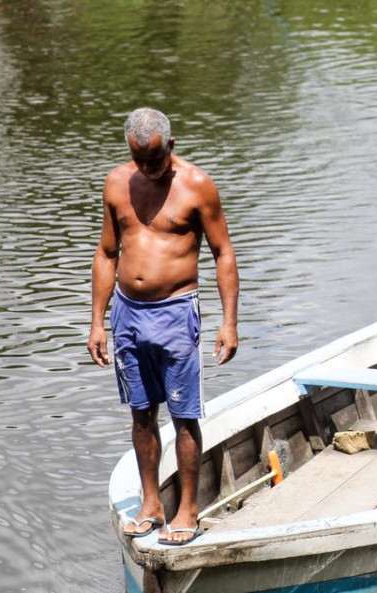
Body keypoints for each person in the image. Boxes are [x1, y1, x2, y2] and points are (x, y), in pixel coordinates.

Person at [87, 107, 239, 546]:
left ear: (170, 146)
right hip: (127, 314)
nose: (148, 169)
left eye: (154, 159)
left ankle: (187, 509)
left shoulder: (196, 185)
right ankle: (151, 504)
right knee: (140, 412)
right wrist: (97, 321)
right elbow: (106, 253)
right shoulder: (117, 183)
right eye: (139, 159)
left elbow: (222, 253)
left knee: (184, 415)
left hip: (176, 313)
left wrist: (229, 322)